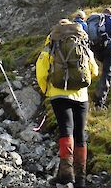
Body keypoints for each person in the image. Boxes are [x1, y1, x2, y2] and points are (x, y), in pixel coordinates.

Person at [36, 19, 98, 188]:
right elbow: (94, 70)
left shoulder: (52, 42)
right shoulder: (81, 42)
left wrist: (46, 90)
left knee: (66, 132)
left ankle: (66, 174)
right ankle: (81, 179)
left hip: (58, 94)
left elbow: (41, 70)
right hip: (81, 96)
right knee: (80, 134)